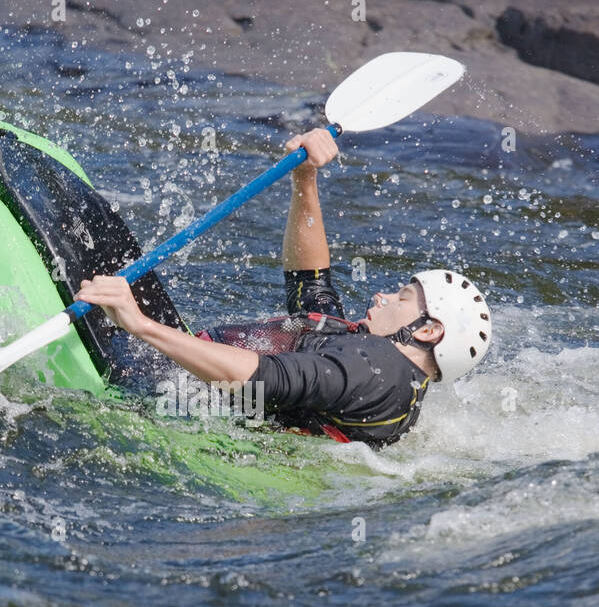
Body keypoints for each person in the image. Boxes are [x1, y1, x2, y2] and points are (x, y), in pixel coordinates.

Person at [76, 128, 493, 446]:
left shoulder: (372, 369)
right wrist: (306, 177)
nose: (381, 296)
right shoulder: (389, 379)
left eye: (402, 297)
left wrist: (139, 325)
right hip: (179, 383)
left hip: (144, 386)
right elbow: (312, 290)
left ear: (427, 329)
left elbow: (263, 380)